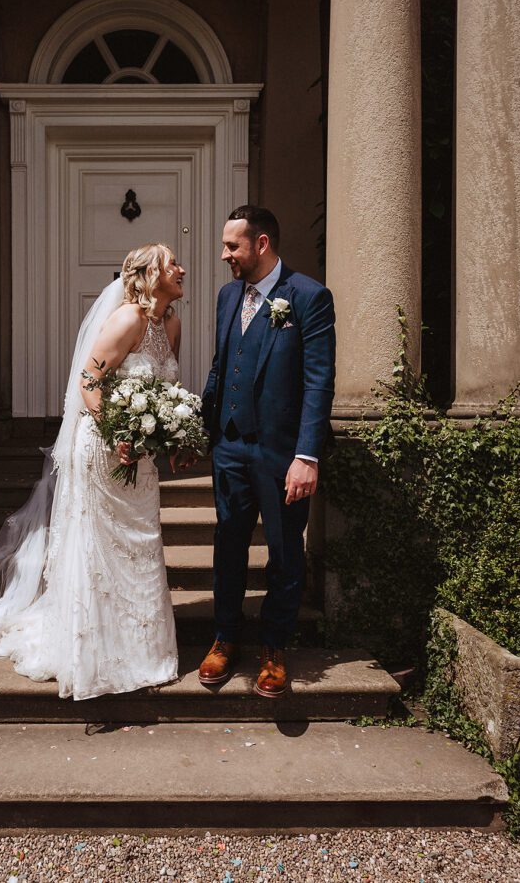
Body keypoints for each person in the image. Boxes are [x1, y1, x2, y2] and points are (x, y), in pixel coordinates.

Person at [0, 244, 186, 701]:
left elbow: (165, 389)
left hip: (138, 457)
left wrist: (166, 433)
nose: (181, 270)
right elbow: (90, 381)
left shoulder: (170, 324)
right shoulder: (127, 319)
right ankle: (93, 650)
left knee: (141, 545)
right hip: (105, 447)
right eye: (172, 264)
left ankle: (142, 650)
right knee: (101, 548)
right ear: (150, 276)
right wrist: (117, 432)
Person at [200, 206, 336, 697]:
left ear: (261, 244)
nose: (224, 255)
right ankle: (225, 637)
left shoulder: (308, 297)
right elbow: (222, 366)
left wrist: (308, 455)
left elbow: (319, 382)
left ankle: (275, 646)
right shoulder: (226, 296)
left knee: (283, 553)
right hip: (230, 447)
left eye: (232, 246)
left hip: (282, 454)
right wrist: (202, 432)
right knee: (228, 546)